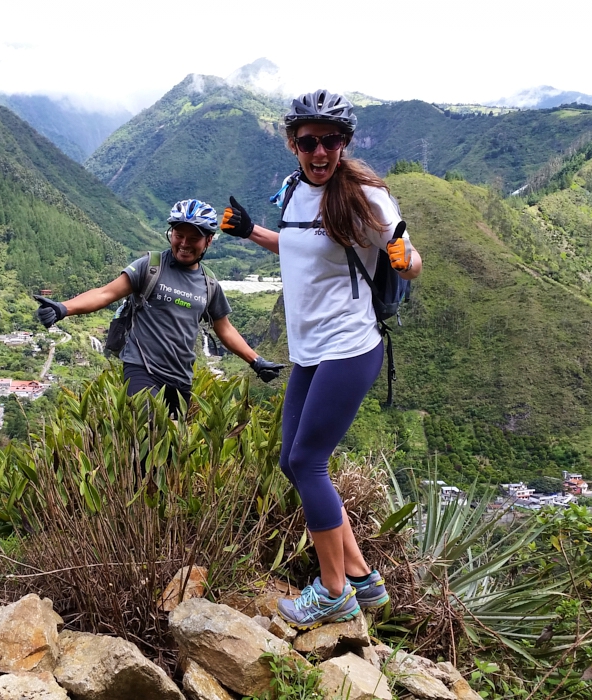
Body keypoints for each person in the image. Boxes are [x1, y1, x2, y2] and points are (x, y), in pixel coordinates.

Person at [219, 90, 423, 628]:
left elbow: (408, 260)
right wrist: (249, 232)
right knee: (293, 461)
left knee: (308, 463)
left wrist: (406, 258)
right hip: (309, 350)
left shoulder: (365, 196)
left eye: (330, 140)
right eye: (309, 141)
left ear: (345, 143)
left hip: (350, 347)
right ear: (292, 144)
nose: (320, 151)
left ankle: (333, 592)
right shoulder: (293, 192)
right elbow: (298, 247)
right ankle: (361, 577)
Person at [34, 199, 284, 416]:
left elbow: (224, 329)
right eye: (179, 235)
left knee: (168, 453)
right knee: (147, 437)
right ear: (171, 234)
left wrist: (256, 361)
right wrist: (62, 308)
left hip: (180, 378)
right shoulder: (150, 266)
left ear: (208, 241)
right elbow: (105, 293)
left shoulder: (209, 284)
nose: (184, 243)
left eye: (194, 237)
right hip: (141, 368)